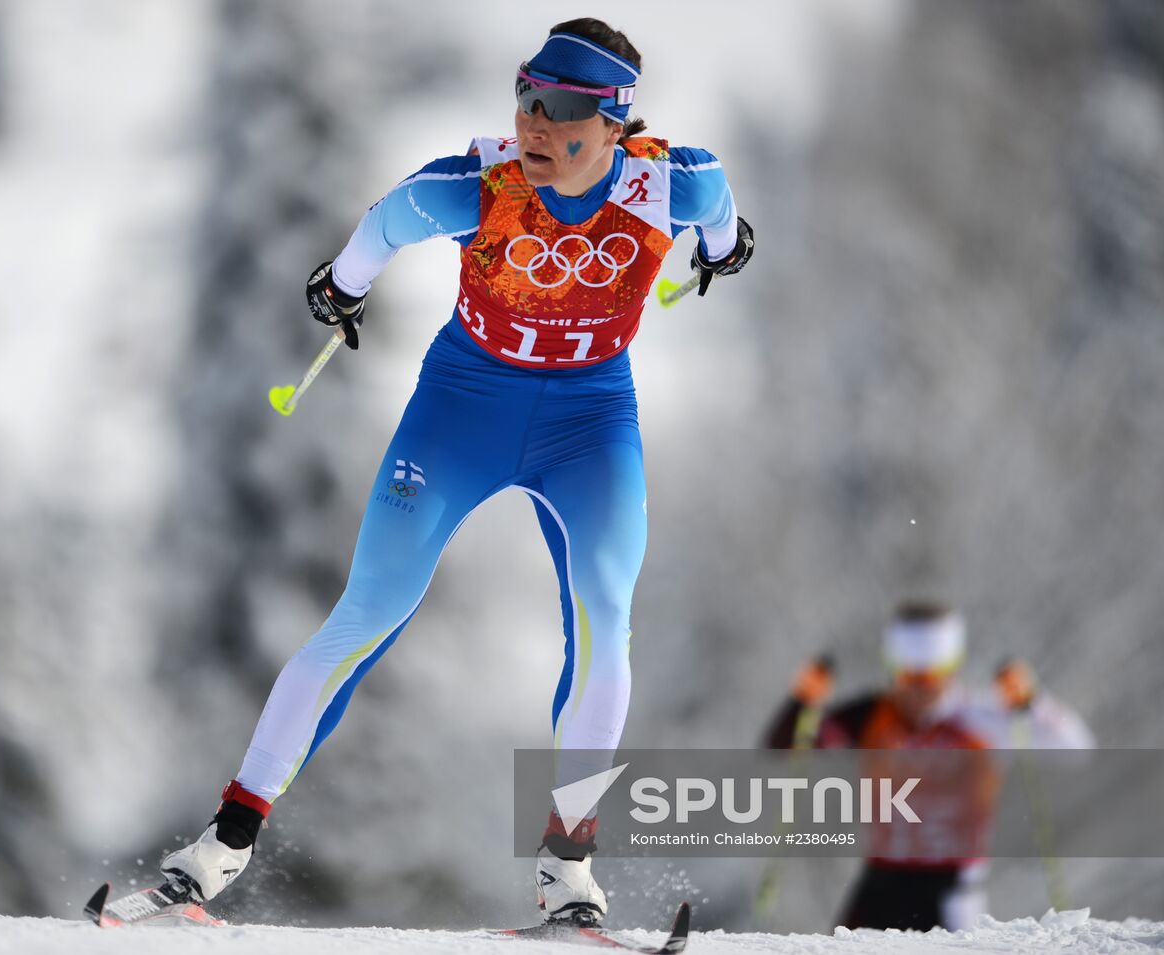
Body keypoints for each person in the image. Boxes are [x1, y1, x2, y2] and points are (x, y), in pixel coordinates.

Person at [156, 18, 752, 925]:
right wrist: (341, 288)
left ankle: (568, 869)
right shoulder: (480, 186)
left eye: (559, 111)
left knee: (604, 610)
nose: (534, 126)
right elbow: (384, 221)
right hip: (460, 412)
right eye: (525, 98)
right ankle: (222, 844)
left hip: (590, 424)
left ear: (618, 124)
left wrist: (722, 249)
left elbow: (721, 218)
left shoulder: (675, 182)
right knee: (369, 609)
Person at [762, 601, 1094, 932]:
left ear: (952, 670)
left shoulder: (980, 718)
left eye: (932, 678)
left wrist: (1031, 703)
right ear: (893, 669)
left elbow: (1076, 747)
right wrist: (802, 701)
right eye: (909, 677)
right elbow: (787, 742)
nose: (920, 691)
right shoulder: (873, 714)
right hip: (882, 883)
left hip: (952, 891)